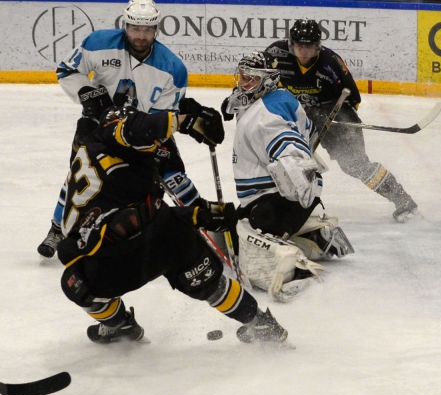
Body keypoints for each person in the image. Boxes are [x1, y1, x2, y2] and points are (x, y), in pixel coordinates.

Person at [57, 103, 289, 345]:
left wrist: (199, 215)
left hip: (111, 260)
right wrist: (187, 121)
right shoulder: (111, 133)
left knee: (77, 283)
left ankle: (118, 323)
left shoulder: (103, 163)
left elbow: (138, 214)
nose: (156, 145)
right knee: (212, 285)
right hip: (154, 241)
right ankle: (259, 322)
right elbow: (137, 128)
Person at [38, 0, 202, 259]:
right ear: (125, 24)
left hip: (141, 131)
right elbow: (67, 70)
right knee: (80, 176)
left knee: (172, 175)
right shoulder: (98, 43)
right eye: (135, 28)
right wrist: (89, 94)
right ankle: (57, 228)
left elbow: (164, 116)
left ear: (156, 29)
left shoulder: (173, 69)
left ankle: (203, 225)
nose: (141, 36)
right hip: (97, 126)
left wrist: (151, 137)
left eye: (147, 30)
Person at [222, 51, 353, 302]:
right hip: (285, 199)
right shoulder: (279, 97)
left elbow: (285, 141)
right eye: (242, 77)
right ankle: (313, 232)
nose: (244, 83)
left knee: (240, 236)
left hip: (279, 200)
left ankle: (295, 269)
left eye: (252, 79)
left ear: (268, 81)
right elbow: (306, 132)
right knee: (228, 225)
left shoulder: (266, 116)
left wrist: (297, 172)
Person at [257, 19, 418, 222]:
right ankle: (285, 209)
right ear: (291, 44)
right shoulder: (276, 54)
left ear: (317, 46)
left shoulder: (330, 62)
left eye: (308, 46)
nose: (303, 51)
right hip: (296, 116)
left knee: (355, 164)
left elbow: (352, 98)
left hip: (331, 115)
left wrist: (331, 114)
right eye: (299, 45)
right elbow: (257, 81)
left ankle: (403, 201)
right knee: (282, 160)